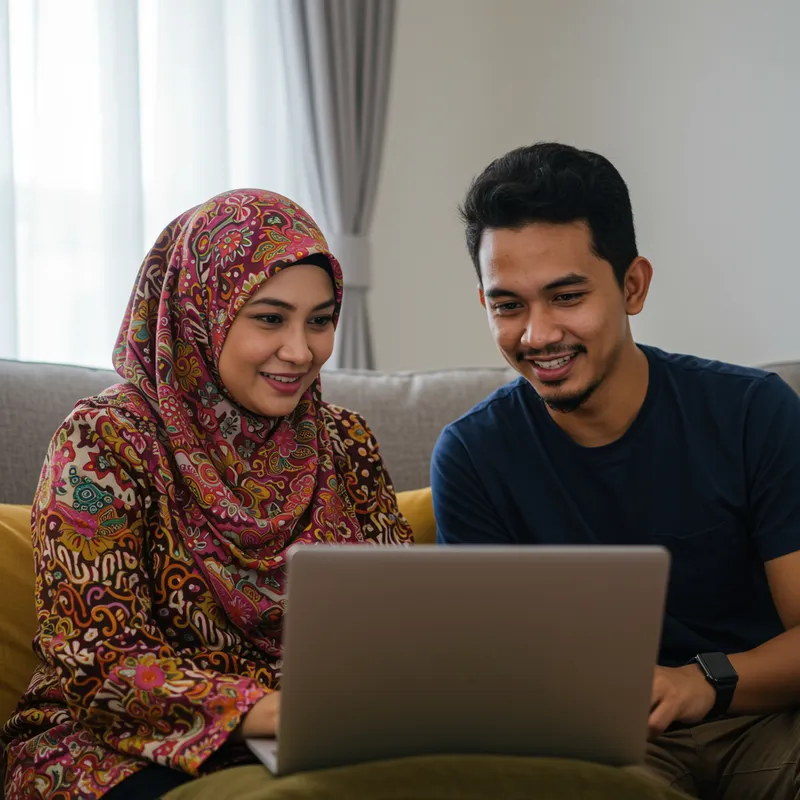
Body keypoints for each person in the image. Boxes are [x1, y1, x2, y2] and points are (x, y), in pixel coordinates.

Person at [0, 189, 412, 799]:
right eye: (270, 318)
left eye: (320, 321)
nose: (301, 352)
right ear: (199, 311)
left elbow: (403, 617)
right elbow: (99, 660)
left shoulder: (344, 442)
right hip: (113, 745)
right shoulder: (103, 443)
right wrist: (271, 712)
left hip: (324, 735)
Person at [432, 142, 800, 799]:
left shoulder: (753, 413)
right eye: (507, 305)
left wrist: (701, 681)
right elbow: (494, 676)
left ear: (633, 286)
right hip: (604, 754)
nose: (537, 334)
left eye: (566, 296)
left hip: (764, 719)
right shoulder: (472, 457)